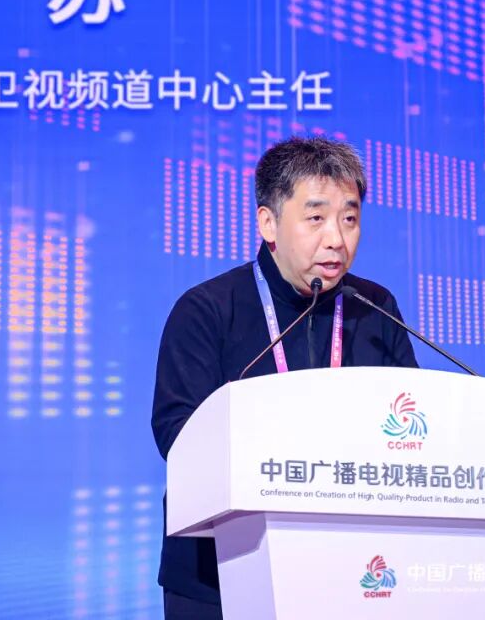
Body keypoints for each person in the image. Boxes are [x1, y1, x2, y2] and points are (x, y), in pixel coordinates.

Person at [151, 137, 419, 618]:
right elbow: (178, 434)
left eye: (350, 218)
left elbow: (415, 426)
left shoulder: (375, 309)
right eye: (316, 218)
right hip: (219, 575)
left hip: (347, 568)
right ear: (268, 223)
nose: (336, 238)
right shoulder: (208, 310)